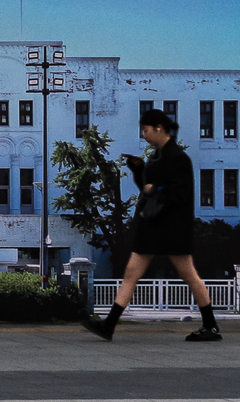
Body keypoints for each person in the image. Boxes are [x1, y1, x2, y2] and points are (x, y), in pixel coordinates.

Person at [87, 104, 221, 343]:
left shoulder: (179, 159)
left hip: (170, 228)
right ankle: (108, 324)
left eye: (146, 130)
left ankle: (210, 326)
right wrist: (140, 173)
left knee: (188, 275)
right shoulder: (158, 158)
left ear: (159, 128)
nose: (144, 135)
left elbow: (179, 193)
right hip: (156, 227)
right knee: (133, 273)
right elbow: (149, 190)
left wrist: (153, 187)